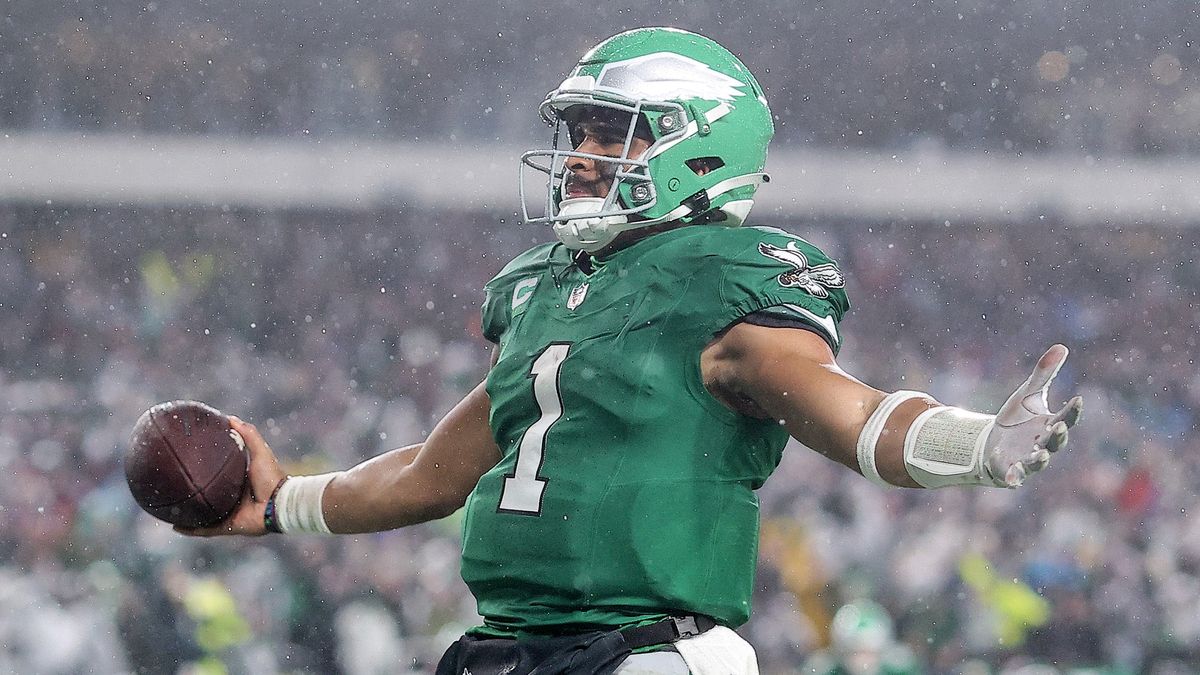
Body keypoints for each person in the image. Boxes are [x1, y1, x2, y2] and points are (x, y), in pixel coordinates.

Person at [185, 27, 1083, 674]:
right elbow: (434, 471)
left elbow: (833, 402)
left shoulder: (724, 279)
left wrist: (969, 445)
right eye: (579, 133)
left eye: (615, 134)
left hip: (652, 651)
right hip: (510, 646)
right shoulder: (541, 286)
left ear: (702, 147)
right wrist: (282, 505)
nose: (582, 155)